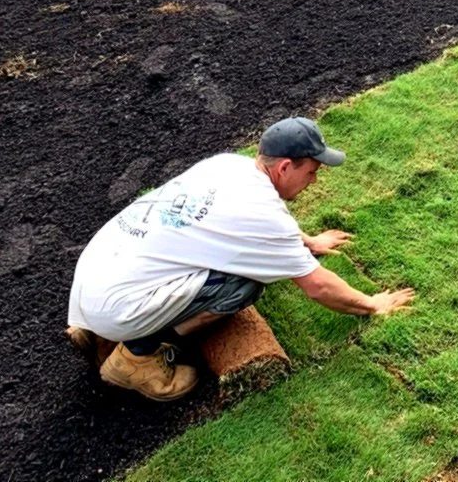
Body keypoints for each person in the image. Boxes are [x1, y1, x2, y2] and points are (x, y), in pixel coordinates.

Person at [66, 117, 416, 401]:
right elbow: (318, 286)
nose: (315, 180)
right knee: (243, 286)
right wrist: (372, 304)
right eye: (311, 170)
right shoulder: (264, 217)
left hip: (96, 272)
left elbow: (265, 220)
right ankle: (135, 357)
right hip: (117, 305)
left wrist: (307, 241)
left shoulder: (229, 165)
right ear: (283, 168)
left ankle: (94, 332)